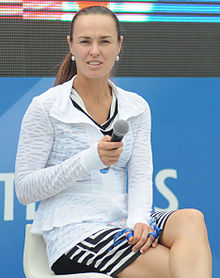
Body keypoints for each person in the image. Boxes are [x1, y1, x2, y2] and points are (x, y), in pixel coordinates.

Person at [15, 5, 212, 278]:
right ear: (71, 45)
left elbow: (141, 174)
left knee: (192, 219)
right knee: (177, 267)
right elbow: (25, 189)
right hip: (74, 232)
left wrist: (139, 221)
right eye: (85, 41)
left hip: (123, 221)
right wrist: (89, 160)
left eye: (104, 41)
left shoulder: (136, 107)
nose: (94, 51)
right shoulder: (45, 106)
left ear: (119, 45)